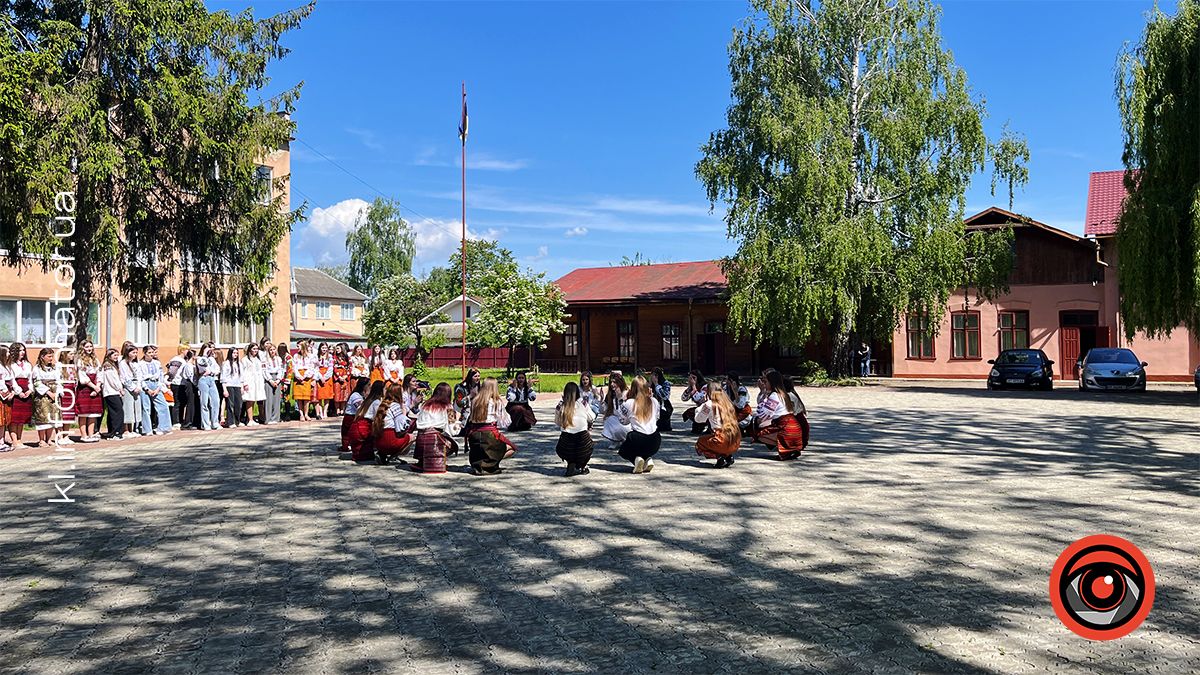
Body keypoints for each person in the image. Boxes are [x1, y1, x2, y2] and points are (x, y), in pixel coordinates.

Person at [465, 377, 516, 476]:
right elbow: (506, 422)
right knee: (511, 448)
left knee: (480, 449)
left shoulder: (474, 401)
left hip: (474, 435)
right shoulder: (496, 402)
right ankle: (491, 463)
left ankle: (480, 463)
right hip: (489, 434)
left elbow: (469, 418)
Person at [750, 369, 805, 460]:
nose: (764, 384)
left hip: (786, 428)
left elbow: (763, 414)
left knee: (759, 435)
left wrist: (762, 393)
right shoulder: (783, 394)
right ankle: (791, 449)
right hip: (795, 427)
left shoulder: (774, 396)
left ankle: (787, 449)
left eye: (766, 381)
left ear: (772, 382)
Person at [412, 382, 460, 474]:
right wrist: (457, 421)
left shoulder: (425, 405)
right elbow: (453, 430)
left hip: (420, 441)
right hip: (435, 441)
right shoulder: (448, 407)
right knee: (453, 445)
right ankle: (437, 461)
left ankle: (422, 462)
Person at [618, 375, 661, 473]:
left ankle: (636, 460)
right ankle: (647, 460)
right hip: (655, 440)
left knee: (623, 449)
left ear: (632, 389)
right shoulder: (654, 401)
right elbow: (657, 418)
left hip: (637, 439)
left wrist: (623, 401)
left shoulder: (629, 403)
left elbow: (623, 421)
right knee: (644, 443)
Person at [695, 382, 742, 468]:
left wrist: (700, 407)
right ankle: (728, 456)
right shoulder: (728, 403)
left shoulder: (709, 404)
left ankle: (720, 457)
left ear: (709, 392)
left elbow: (698, 420)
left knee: (700, 443)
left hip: (721, 439)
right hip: (735, 439)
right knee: (718, 438)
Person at [555, 381, 597, 477]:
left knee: (565, 445)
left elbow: (557, 423)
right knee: (589, 445)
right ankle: (581, 466)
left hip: (565, 444)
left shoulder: (560, 405)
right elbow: (592, 417)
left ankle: (571, 462)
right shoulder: (583, 403)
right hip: (582, 440)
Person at [371, 383, 415, 464]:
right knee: (412, 436)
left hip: (378, 441)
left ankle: (382, 454)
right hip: (390, 440)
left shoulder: (381, 405)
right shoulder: (396, 406)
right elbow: (402, 428)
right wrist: (404, 414)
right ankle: (393, 456)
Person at [346, 381, 385, 462]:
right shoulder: (376, 402)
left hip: (356, 426)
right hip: (363, 429)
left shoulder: (368, 400)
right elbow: (378, 418)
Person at [140, 345, 173, 436]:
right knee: (146, 408)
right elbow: (140, 378)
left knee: (163, 405)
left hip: (156, 384)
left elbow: (160, 377)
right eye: (149, 353)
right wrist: (147, 389)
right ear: (145, 353)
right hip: (146, 384)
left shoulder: (157, 363)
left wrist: (159, 388)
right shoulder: (141, 364)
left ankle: (164, 427)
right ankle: (147, 429)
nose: (151, 355)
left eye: (152, 353)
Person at [6, 342, 34, 447]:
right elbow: (12, 380)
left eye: (23, 350)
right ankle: (14, 441)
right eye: (19, 350)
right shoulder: (10, 365)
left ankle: (19, 439)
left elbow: (30, 379)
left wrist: (30, 390)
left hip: (26, 391)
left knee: (22, 418)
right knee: (14, 418)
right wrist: (19, 392)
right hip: (16, 392)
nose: (22, 352)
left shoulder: (27, 364)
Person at [99, 348, 125, 440]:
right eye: (114, 355)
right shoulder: (108, 366)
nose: (116, 357)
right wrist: (120, 389)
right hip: (111, 392)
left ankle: (112, 432)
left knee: (113, 412)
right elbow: (113, 380)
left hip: (114, 392)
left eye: (117, 355)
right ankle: (116, 432)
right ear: (109, 356)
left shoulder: (113, 365)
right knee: (118, 412)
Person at [118, 344, 143, 437]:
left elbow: (139, 375)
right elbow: (124, 378)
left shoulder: (134, 363)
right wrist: (133, 387)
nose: (135, 354)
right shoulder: (123, 363)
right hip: (128, 388)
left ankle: (132, 429)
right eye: (133, 352)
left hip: (136, 387)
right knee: (127, 408)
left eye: (136, 352)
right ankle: (125, 430)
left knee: (134, 409)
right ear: (128, 353)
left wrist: (139, 386)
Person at [195, 344, 222, 431]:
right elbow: (202, 365)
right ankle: (205, 424)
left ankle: (214, 422)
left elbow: (217, 369)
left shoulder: (212, 359)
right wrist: (204, 355)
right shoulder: (200, 358)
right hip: (203, 379)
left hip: (211, 379)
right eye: (207, 349)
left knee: (216, 401)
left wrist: (212, 371)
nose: (210, 351)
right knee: (204, 402)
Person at [601, 371, 630, 447]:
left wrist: (620, 398)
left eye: (614, 382)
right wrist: (601, 399)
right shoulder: (610, 395)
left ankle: (626, 439)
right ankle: (615, 440)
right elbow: (604, 411)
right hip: (619, 421)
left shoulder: (627, 394)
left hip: (629, 423)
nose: (612, 385)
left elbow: (627, 412)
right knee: (608, 419)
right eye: (611, 382)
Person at [341, 379, 369, 452]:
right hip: (350, 417)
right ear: (363, 386)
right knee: (347, 433)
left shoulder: (362, 394)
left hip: (356, 416)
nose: (370, 386)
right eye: (368, 385)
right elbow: (360, 408)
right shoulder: (355, 395)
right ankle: (346, 446)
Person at [221, 347, 246, 428]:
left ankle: (237, 420)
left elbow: (242, 376)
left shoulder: (239, 364)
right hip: (229, 385)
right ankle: (230, 421)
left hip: (237, 385)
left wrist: (242, 386)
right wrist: (224, 389)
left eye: (236, 353)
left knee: (238, 404)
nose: (235, 355)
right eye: (234, 353)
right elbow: (223, 377)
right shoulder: (226, 363)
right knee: (230, 404)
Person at [242, 343, 266, 426]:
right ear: (250, 350)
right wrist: (245, 383)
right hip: (249, 381)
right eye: (253, 349)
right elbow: (243, 373)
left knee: (256, 399)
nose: (255, 350)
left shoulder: (258, 359)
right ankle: (250, 419)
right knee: (250, 400)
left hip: (258, 382)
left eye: (257, 349)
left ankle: (256, 418)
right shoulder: (245, 360)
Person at [291, 341, 315, 421]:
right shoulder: (296, 356)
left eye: (299, 346)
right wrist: (298, 376)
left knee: (306, 397)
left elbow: (312, 367)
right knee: (299, 397)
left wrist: (304, 376)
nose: (297, 348)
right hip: (298, 376)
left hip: (306, 377)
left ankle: (306, 414)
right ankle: (301, 414)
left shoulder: (310, 356)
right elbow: (294, 367)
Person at [56, 349, 77, 444]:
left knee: (69, 415)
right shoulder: (59, 365)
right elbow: (57, 379)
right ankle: (60, 436)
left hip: (71, 391)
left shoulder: (72, 366)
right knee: (62, 414)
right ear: (65, 354)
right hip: (63, 391)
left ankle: (66, 436)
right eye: (71, 354)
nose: (73, 355)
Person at [261, 341, 285, 424]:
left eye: (274, 349)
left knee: (276, 399)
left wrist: (278, 380)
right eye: (270, 350)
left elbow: (281, 370)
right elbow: (264, 371)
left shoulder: (279, 359)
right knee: (269, 399)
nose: (272, 351)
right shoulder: (265, 360)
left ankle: (276, 417)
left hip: (277, 379)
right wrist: (270, 380)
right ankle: (268, 418)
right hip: (269, 379)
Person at [680, 369, 708, 434]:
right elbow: (684, 398)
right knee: (688, 413)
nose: (692, 380)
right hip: (700, 409)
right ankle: (699, 424)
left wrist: (693, 386)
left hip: (707, 410)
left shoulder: (705, 386)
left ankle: (706, 425)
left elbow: (700, 399)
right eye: (690, 378)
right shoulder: (692, 387)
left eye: (694, 378)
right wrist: (690, 388)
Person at [315, 342, 334, 420]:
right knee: (319, 396)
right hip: (319, 375)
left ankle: (325, 411)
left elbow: (331, 368)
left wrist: (325, 377)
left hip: (327, 376)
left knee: (327, 396)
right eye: (323, 348)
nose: (324, 349)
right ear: (320, 348)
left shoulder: (330, 357)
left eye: (326, 348)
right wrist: (320, 377)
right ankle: (319, 411)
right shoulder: (316, 357)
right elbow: (315, 367)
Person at [650, 367, 672, 432]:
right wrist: (649, 385)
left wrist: (656, 384)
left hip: (663, 408)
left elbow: (665, 396)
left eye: (655, 375)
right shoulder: (650, 384)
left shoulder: (665, 383)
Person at [333, 342, 351, 415]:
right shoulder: (334, 358)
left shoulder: (347, 357)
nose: (336, 350)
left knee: (344, 393)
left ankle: (342, 409)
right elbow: (333, 368)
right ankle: (337, 409)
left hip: (345, 376)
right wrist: (338, 376)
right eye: (336, 348)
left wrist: (346, 376)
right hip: (337, 376)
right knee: (337, 393)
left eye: (338, 348)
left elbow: (350, 367)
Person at [0, 347, 13, 451]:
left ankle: (2, 440)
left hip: (7, 395)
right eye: (8, 352)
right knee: (0, 419)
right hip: (2, 396)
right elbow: (1, 382)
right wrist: (6, 392)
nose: (9, 354)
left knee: (5, 419)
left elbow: (11, 381)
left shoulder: (7, 367)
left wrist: (13, 391)